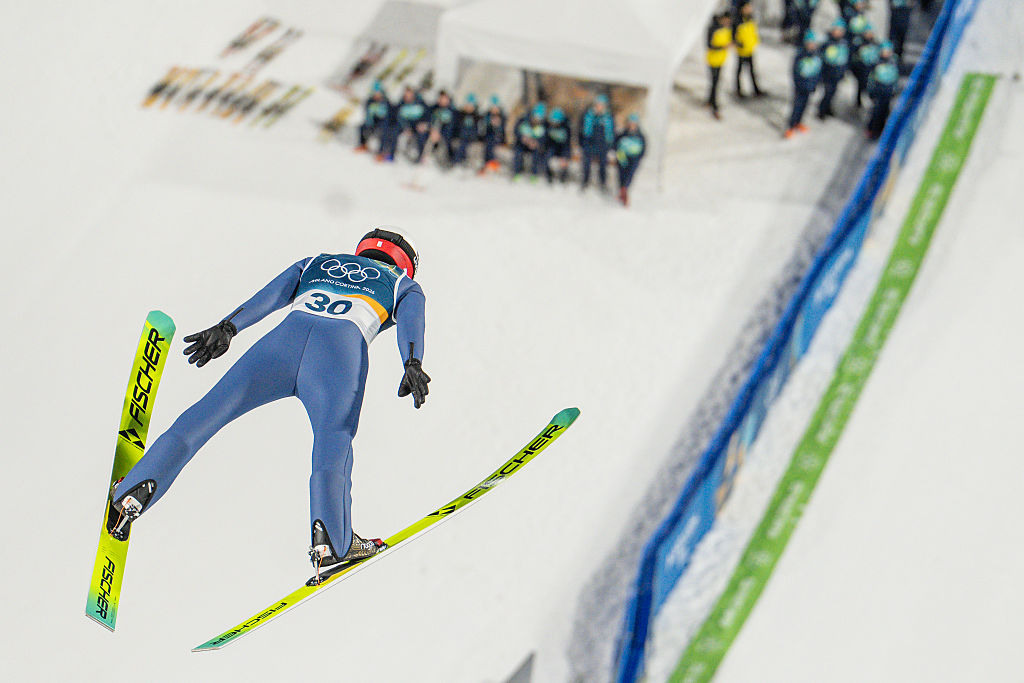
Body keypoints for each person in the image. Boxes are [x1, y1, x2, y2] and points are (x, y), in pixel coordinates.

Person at [108, 227, 430, 584]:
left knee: (209, 411)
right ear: (406, 262)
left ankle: (133, 490)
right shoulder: (403, 283)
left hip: (280, 345)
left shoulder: (317, 262)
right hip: (339, 355)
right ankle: (331, 541)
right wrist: (412, 362)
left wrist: (228, 327)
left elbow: (271, 295)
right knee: (332, 441)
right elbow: (411, 321)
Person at [785, 30, 823, 138]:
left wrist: (816, 83)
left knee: (805, 105)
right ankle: (791, 125)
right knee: (797, 106)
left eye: (813, 43)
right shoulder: (800, 55)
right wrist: (797, 83)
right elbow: (795, 72)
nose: (812, 45)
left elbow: (818, 72)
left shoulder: (817, 56)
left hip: (810, 86)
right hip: (800, 86)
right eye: (809, 43)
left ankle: (799, 122)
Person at [382, 85, 429, 163]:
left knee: (422, 135)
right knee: (394, 131)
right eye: (406, 94)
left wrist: (423, 124)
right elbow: (398, 117)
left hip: (418, 125)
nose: (408, 96)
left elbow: (427, 115)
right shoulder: (401, 103)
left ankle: (421, 156)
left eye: (409, 94)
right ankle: (391, 154)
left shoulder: (421, 103)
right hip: (405, 125)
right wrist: (406, 127)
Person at [579, 95, 615, 189]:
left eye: (602, 105)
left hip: (602, 145)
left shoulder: (608, 117)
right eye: (598, 104)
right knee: (586, 164)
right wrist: (582, 143)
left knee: (603, 165)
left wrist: (610, 145)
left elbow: (611, 132)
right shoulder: (588, 115)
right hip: (589, 144)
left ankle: (603, 183)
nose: (600, 107)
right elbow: (581, 130)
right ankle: (585, 181)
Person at [866, 41, 900, 139]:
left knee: (885, 111)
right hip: (878, 90)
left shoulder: (893, 61)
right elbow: (871, 78)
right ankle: (872, 130)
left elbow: (896, 76)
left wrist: (895, 89)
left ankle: (881, 130)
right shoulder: (876, 62)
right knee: (876, 111)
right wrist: (871, 91)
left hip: (888, 90)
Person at [817, 19, 849, 119]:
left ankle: (828, 108)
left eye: (841, 30)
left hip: (838, 72)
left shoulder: (844, 43)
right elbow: (821, 58)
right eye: (837, 30)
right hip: (828, 72)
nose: (839, 32)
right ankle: (821, 111)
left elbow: (845, 58)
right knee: (828, 92)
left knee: (833, 92)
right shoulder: (827, 42)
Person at [614, 113, 646, 207]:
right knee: (621, 174)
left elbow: (643, 148)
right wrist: (619, 154)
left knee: (630, 174)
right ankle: (622, 190)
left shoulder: (640, 135)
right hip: (622, 156)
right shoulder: (623, 134)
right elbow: (616, 145)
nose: (632, 125)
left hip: (634, 158)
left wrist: (639, 157)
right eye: (631, 123)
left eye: (634, 123)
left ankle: (624, 189)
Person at [734, 3, 764, 97]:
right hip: (742, 51)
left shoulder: (751, 19)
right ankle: (738, 90)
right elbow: (734, 35)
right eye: (747, 8)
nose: (749, 9)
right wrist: (739, 44)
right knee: (740, 71)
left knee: (752, 71)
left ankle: (755, 89)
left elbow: (753, 32)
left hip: (750, 49)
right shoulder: (738, 21)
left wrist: (755, 42)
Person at [705, 13, 732, 119]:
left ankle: (710, 101)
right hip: (713, 59)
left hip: (721, 59)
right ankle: (714, 106)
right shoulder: (713, 29)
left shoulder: (725, 29)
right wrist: (723, 47)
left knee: (715, 82)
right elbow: (710, 45)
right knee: (715, 82)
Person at [356, 81, 394, 154]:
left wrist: (385, 124)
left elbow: (389, 115)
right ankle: (363, 144)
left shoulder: (386, 102)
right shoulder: (369, 101)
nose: (376, 95)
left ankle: (381, 151)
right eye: (374, 93)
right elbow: (367, 113)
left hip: (383, 123)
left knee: (384, 131)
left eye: (378, 93)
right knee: (362, 127)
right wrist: (369, 122)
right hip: (373, 121)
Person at [512, 102, 548, 180]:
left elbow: (544, 138)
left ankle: (534, 175)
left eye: (539, 118)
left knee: (537, 155)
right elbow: (516, 130)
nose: (537, 120)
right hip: (521, 143)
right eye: (536, 117)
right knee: (518, 153)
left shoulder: (544, 125)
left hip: (534, 146)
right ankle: (516, 173)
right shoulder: (523, 120)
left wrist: (537, 142)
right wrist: (522, 138)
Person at [850, 28, 881, 108]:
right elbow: (854, 57)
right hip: (862, 69)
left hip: (872, 70)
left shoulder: (876, 44)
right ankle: (859, 102)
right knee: (861, 85)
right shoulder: (859, 44)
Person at [426, 90, 458, 165]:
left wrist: (440, 134)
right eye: (441, 98)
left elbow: (452, 125)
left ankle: (448, 161)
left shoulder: (453, 111)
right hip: (434, 132)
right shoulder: (433, 109)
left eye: (445, 98)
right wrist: (431, 130)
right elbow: (429, 120)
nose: (443, 100)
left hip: (448, 134)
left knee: (447, 142)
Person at [479, 95, 507, 175]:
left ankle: (491, 163)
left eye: (496, 107)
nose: (494, 109)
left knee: (492, 142)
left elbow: (504, 130)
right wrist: (489, 123)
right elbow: (482, 127)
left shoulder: (502, 116)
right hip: (488, 136)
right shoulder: (487, 115)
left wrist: (498, 125)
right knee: (488, 143)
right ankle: (489, 163)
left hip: (498, 137)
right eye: (493, 107)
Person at [451, 93, 480, 167]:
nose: (469, 107)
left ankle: (457, 162)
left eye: (471, 106)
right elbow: (456, 126)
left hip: (470, 137)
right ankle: (455, 160)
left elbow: (477, 129)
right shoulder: (460, 114)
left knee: (463, 145)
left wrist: (471, 135)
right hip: (460, 136)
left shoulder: (476, 116)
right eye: (467, 105)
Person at [545, 107, 572, 184]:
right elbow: (546, 141)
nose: (554, 123)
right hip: (552, 147)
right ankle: (549, 177)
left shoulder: (566, 128)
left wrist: (565, 156)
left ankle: (563, 178)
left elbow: (567, 144)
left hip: (563, 148)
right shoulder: (548, 126)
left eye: (556, 122)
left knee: (565, 161)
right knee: (547, 158)